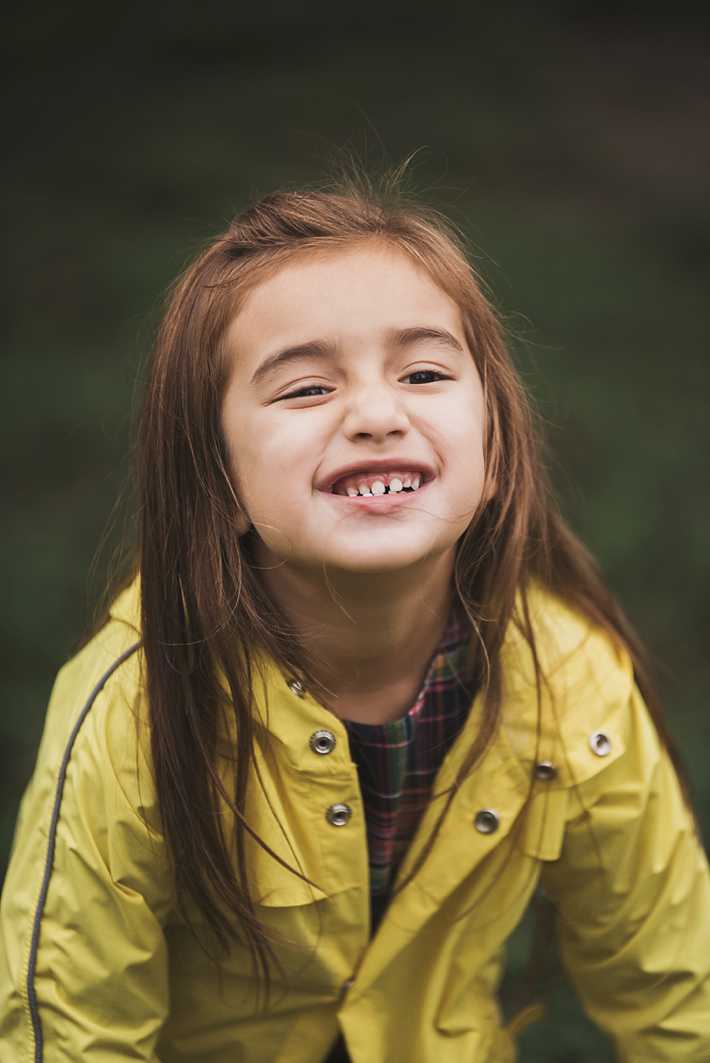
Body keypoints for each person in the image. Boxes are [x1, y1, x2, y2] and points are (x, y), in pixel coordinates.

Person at [1, 169, 709, 1063]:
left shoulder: (567, 683)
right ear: (215, 480)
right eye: (305, 389)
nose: (378, 413)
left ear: (493, 443)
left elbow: (678, 990)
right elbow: (68, 1029)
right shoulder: (136, 706)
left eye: (423, 371)